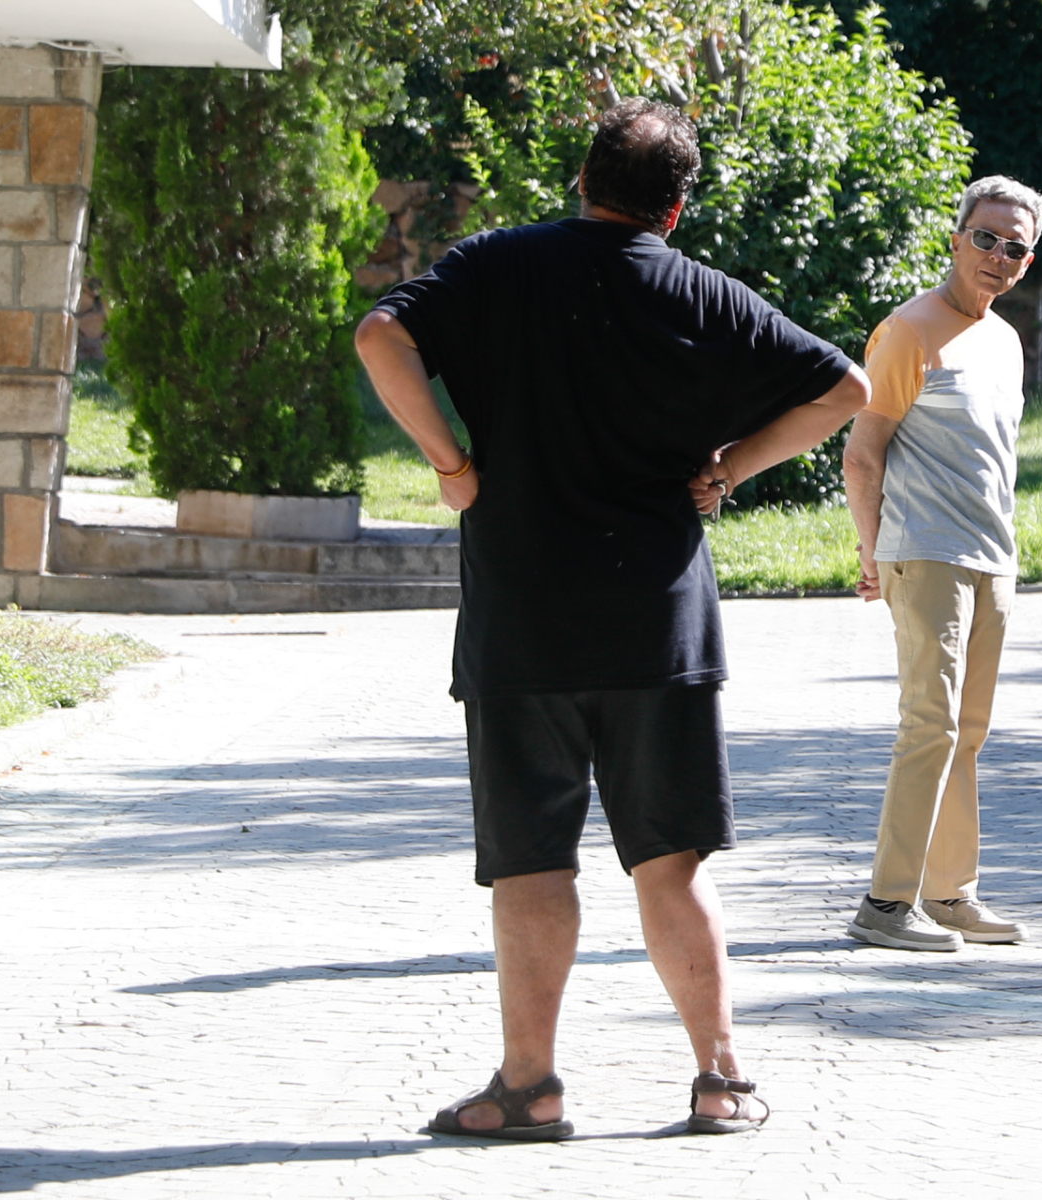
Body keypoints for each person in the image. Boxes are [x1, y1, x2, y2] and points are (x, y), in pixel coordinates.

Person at [355, 98, 869, 1138]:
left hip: (523, 621)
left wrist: (451, 464)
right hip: (658, 625)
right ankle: (721, 1081)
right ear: (676, 210)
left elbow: (380, 335)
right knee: (670, 862)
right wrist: (728, 467)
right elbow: (844, 388)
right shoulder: (706, 294)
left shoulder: (498, 265)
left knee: (530, 861)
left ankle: (528, 1089)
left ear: (583, 180)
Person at [840, 175, 1042, 952]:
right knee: (928, 725)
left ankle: (950, 892)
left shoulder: (1004, 340)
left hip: (992, 557)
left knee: (968, 730)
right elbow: (862, 457)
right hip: (925, 553)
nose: (998, 255)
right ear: (957, 237)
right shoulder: (909, 331)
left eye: (1015, 247)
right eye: (986, 238)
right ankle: (886, 905)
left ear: (1029, 262)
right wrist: (873, 553)